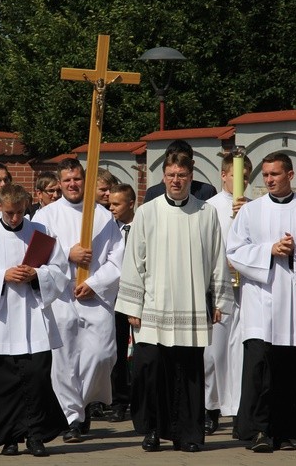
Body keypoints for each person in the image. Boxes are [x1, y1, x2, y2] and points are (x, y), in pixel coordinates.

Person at [116, 152, 233, 453]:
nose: (176, 180)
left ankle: (189, 435)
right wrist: (132, 306)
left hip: (191, 305)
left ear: (191, 177)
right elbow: (134, 260)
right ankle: (153, 430)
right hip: (153, 305)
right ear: (164, 177)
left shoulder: (206, 213)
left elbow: (216, 259)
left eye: (182, 175)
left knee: (189, 372)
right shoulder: (147, 212)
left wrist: (219, 299)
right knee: (152, 370)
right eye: (171, 175)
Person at [226, 151, 296, 453]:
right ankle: (259, 431)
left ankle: (286, 432)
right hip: (261, 304)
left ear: (290, 175)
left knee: (291, 373)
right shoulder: (250, 212)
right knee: (260, 370)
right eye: (266, 175)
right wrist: (269, 251)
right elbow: (234, 251)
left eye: (275, 174)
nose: (269, 180)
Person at [0, 184, 69, 457]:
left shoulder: (41, 234)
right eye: (9, 212)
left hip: (32, 318)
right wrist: (2, 276)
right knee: (1, 382)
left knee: (36, 378)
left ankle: (35, 437)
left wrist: (37, 275)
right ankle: (8, 437)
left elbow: (59, 270)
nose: (15, 218)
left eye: (20, 212)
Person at [32, 158, 124, 443]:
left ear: (85, 181)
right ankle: (72, 418)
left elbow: (118, 259)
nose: (73, 184)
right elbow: (34, 258)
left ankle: (81, 405)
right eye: (67, 180)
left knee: (103, 355)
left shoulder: (102, 216)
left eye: (78, 179)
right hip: (60, 296)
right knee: (65, 359)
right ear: (59, 183)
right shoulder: (46, 216)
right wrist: (66, 254)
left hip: (94, 295)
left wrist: (95, 283)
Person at [203, 153, 252, 435]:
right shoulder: (208, 208)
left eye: (246, 178)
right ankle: (211, 407)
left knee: (240, 353)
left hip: (247, 287)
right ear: (224, 175)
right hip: (218, 287)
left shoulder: (255, 207)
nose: (241, 182)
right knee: (213, 353)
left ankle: (237, 409)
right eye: (236, 176)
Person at [106, 183, 136, 422]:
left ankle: (139, 398)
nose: (111, 208)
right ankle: (119, 400)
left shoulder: (142, 226)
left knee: (137, 352)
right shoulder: (108, 228)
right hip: (113, 297)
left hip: (138, 296)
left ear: (131, 203)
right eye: (110, 203)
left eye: (116, 204)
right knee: (116, 349)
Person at [143, 140, 217, 202]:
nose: (177, 164)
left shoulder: (207, 192)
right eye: (173, 160)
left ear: (192, 163)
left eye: (183, 161)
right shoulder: (153, 193)